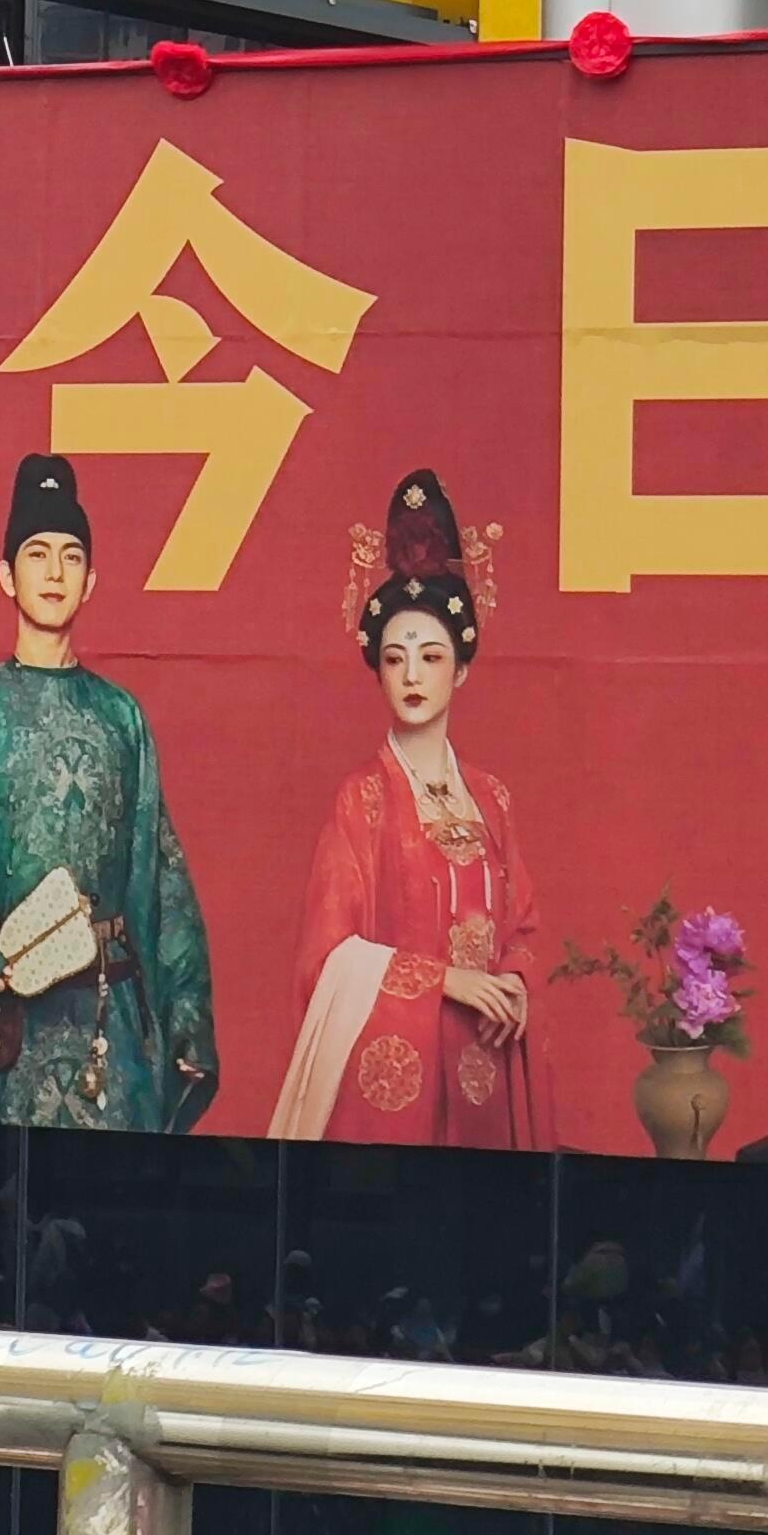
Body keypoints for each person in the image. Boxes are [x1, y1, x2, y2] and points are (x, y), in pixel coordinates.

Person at [0, 451, 217, 1127]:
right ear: (6, 575)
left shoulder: (121, 718)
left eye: (71, 557)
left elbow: (163, 877)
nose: (55, 572)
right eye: (37, 554)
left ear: (91, 582)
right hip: (6, 1029)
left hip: (110, 1024)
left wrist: (186, 1012)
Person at [269, 467, 541, 1144]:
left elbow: (524, 928)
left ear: (462, 668)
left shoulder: (492, 798)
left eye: (431, 656)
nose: (412, 675)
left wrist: (513, 983)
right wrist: (446, 982)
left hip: (486, 1063)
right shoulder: (361, 800)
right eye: (395, 659)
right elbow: (329, 956)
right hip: (397, 1082)